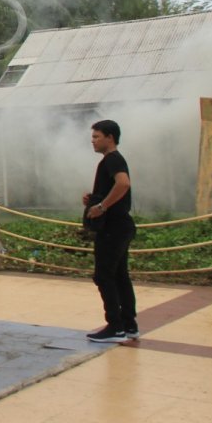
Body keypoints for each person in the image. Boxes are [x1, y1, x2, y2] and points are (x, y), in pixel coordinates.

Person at [82, 119, 138, 343]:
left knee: (104, 275)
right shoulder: (111, 161)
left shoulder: (112, 159)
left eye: (97, 136)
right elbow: (115, 187)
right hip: (121, 227)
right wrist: (94, 199)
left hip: (112, 228)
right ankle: (129, 324)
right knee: (120, 275)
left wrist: (101, 206)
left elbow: (123, 184)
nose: (93, 141)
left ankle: (115, 326)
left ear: (110, 138)